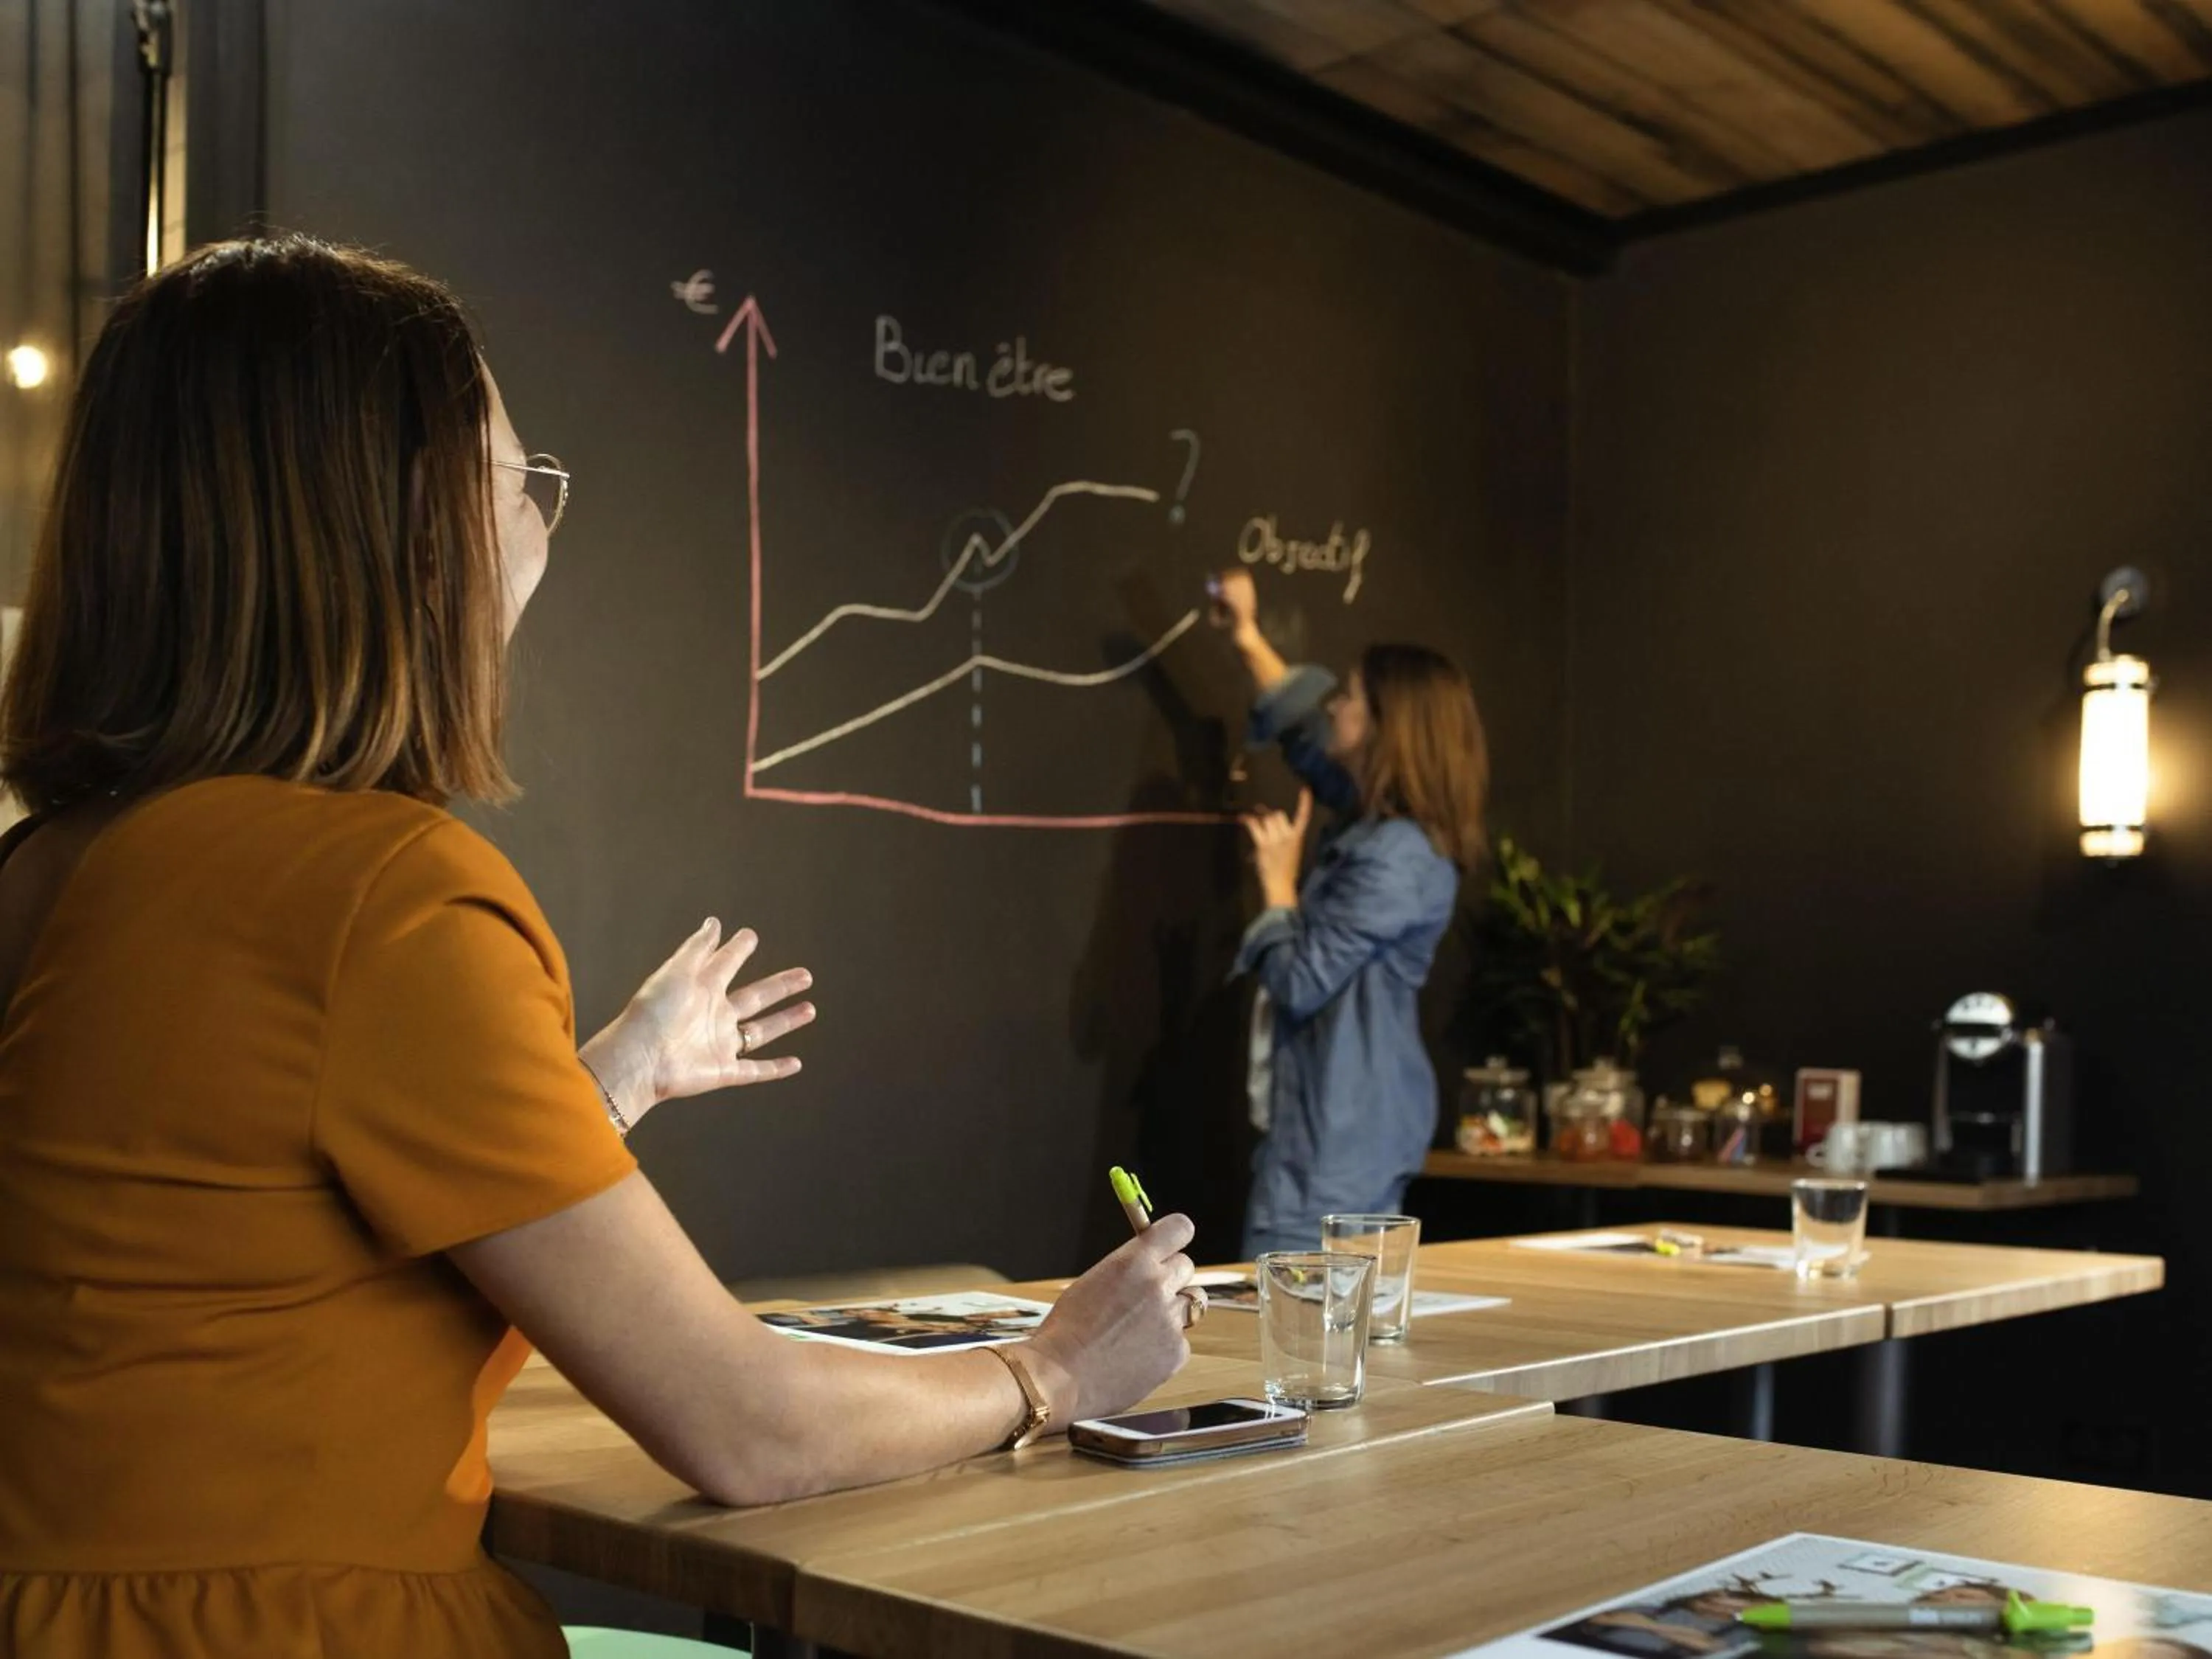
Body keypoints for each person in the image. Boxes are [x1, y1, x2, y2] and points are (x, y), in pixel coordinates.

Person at [0, 236, 1197, 1658]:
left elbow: (248, 1228)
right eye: (525, 484)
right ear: (409, 534)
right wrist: (1054, 1367)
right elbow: (745, 1427)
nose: (543, 535)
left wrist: (606, 1083)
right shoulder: (382, 894)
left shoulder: (47, 866)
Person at [1210, 568, 1489, 1256]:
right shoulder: (1382, 823)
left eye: (1352, 697)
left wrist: (1278, 887)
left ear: (1385, 729)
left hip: (1335, 1150)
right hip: (1341, 1136)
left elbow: (1301, 980)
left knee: (1295, 1338)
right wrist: (1247, 636)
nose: (1335, 706)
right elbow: (1304, 729)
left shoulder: (1396, 856)